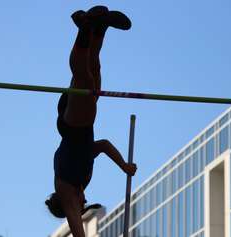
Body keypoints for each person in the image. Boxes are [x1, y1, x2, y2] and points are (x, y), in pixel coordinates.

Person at [45, 6, 137, 237]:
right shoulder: (83, 178)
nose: (83, 200)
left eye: (81, 204)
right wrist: (124, 166)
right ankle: (99, 27)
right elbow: (103, 145)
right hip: (82, 121)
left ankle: (85, 29)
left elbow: (75, 222)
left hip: (74, 125)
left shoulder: (65, 190)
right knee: (93, 68)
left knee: (83, 76)